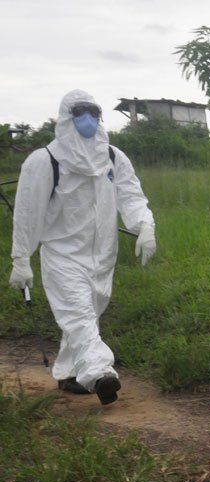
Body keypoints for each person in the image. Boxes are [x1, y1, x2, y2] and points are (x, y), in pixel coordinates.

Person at [8, 89, 157, 406]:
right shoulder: (45, 161)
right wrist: (21, 258)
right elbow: (27, 213)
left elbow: (131, 196)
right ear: (66, 117)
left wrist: (145, 226)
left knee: (86, 314)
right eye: (80, 112)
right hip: (63, 255)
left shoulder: (113, 157)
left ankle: (67, 373)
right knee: (78, 315)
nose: (87, 119)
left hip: (103, 256)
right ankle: (101, 374)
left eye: (93, 112)